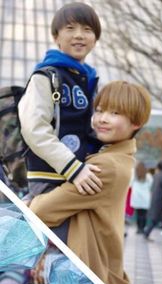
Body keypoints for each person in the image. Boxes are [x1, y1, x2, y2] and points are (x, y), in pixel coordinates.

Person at [30, 80, 152, 284]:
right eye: (99, 110)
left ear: (136, 122)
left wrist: (28, 201)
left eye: (115, 113)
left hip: (82, 274)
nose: (102, 119)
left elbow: (40, 212)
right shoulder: (118, 157)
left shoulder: (105, 166)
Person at [18, 2, 103, 242]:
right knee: (56, 253)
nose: (79, 35)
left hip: (80, 182)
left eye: (87, 29)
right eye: (70, 28)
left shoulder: (89, 79)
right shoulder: (46, 76)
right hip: (52, 181)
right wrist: (73, 169)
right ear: (56, 36)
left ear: (95, 37)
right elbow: (35, 130)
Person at [144, 159, 162, 240]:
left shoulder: (157, 174)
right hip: (160, 200)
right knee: (155, 219)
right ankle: (146, 234)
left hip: (156, 199)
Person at [130, 161, 152, 234]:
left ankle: (139, 228)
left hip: (137, 197)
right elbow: (150, 185)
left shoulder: (134, 175)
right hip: (145, 197)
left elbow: (130, 184)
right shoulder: (148, 176)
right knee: (144, 214)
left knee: (138, 214)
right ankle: (143, 228)